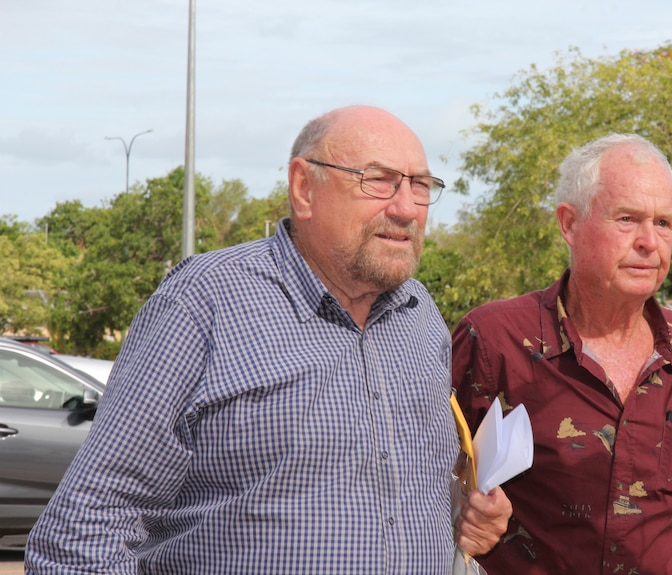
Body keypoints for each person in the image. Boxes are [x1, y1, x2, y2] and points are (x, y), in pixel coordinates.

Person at [25, 105, 511, 574]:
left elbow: (393, 484)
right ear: (304, 188)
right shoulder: (204, 303)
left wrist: (463, 512)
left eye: (421, 185)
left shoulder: (420, 315)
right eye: (378, 180)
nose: (406, 208)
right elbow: (88, 526)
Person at [451, 134, 672, 575]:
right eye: (627, 218)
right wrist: (462, 512)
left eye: (663, 223)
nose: (649, 242)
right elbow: (416, 481)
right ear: (569, 224)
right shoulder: (493, 339)